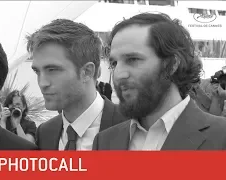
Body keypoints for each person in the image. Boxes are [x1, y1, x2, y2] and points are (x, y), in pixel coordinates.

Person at [93, 13, 226, 150]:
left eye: (133, 59)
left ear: (172, 64)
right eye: (114, 63)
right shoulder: (104, 141)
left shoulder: (221, 137)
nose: (118, 74)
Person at [27, 19, 126, 150]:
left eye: (52, 70)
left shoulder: (131, 127)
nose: (42, 83)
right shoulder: (45, 132)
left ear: (87, 72)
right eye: (37, 71)